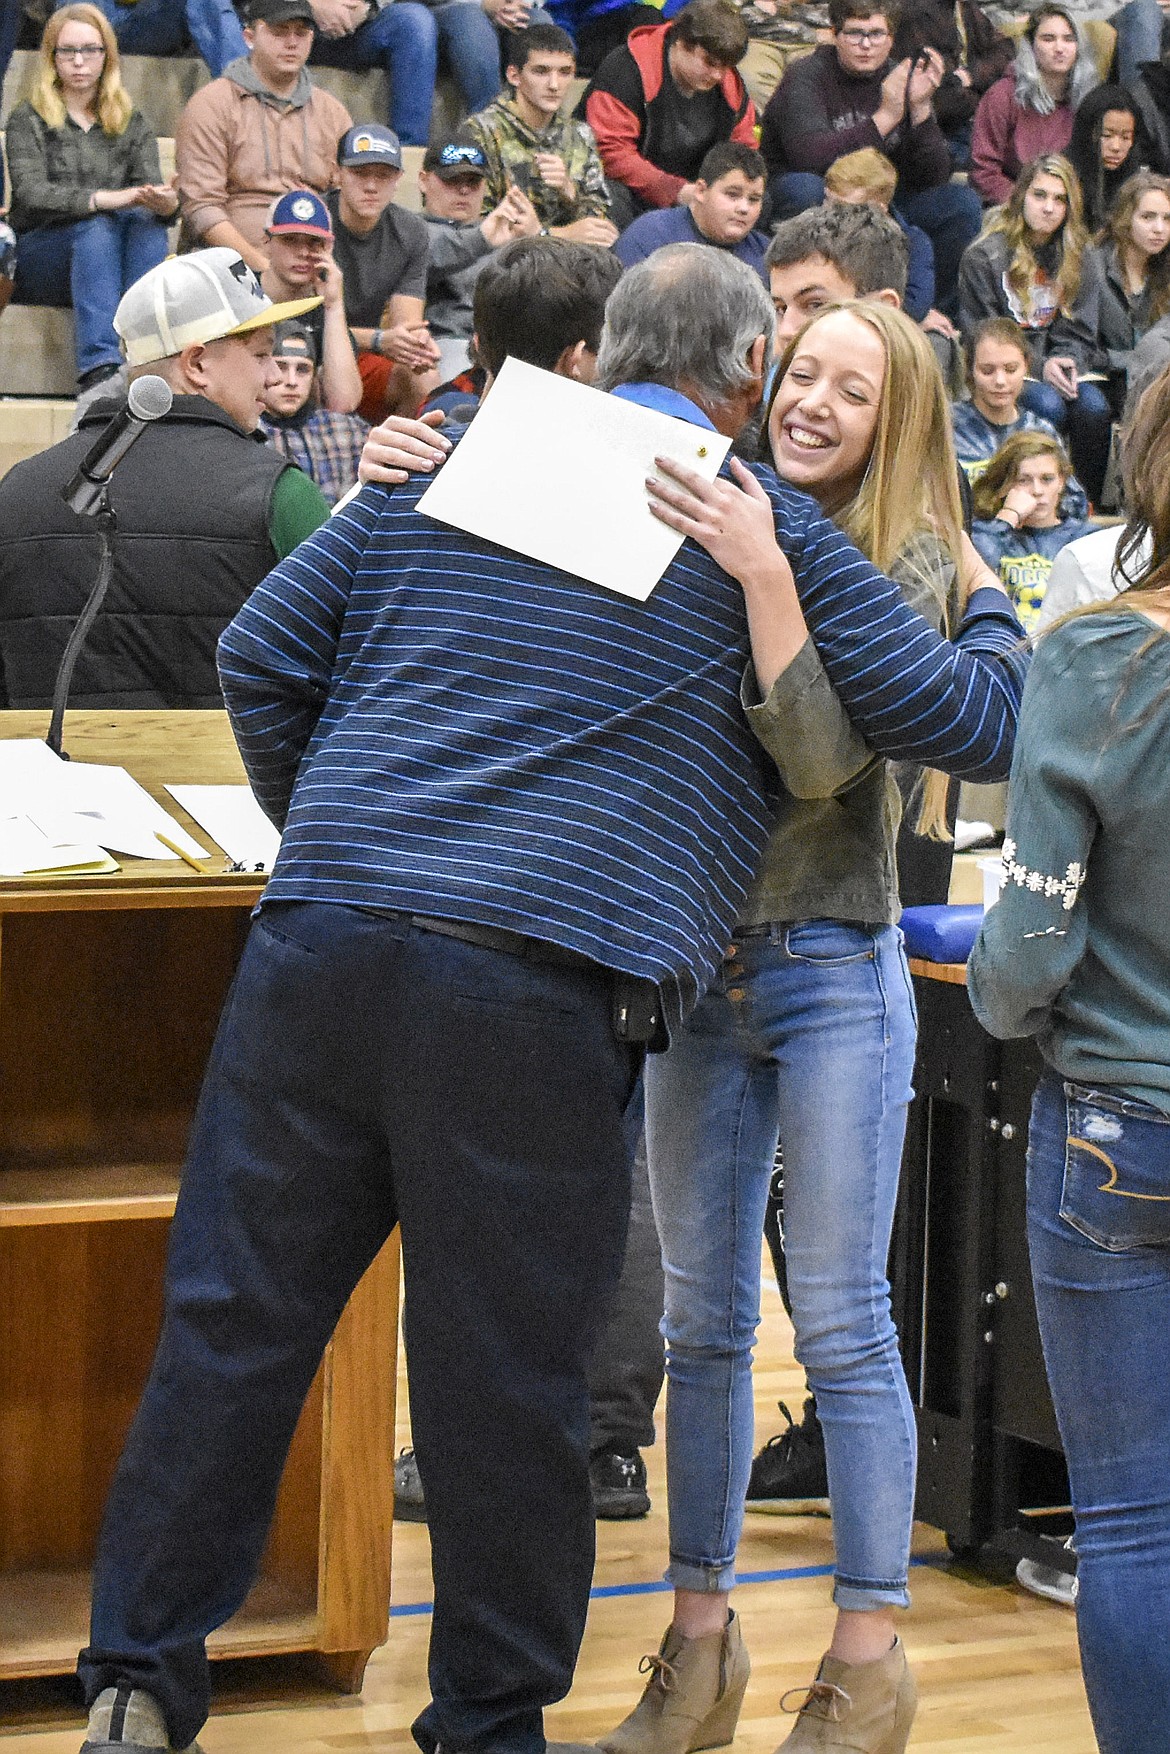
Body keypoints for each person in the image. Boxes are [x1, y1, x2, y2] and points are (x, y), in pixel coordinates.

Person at [74, 241, 1027, 1754]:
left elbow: (259, 653)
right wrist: (977, 589)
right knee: (502, 1378)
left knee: (234, 1327)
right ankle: (484, 1725)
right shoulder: (740, 507)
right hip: (527, 981)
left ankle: (135, 1678)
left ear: (595, 351)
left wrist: (343, 823)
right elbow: (979, 721)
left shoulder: (457, 459)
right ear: (740, 382)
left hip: (317, 943)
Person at [596, 302, 1023, 1754]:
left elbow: (827, 759)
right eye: (803, 374)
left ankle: (862, 1664)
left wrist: (769, 574)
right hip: (696, 967)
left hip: (835, 959)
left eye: (854, 386)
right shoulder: (707, 504)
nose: (815, 402)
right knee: (699, 1322)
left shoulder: (902, 561)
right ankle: (696, 1651)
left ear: (894, 417)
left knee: (838, 1319)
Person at [967, 364, 1170, 1754]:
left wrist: (1005, 997)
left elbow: (1023, 956)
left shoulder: (1096, 656)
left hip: (1118, 1125)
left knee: (1135, 1522)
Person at [0, 248, 329, 711]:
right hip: (229, 781)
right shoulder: (282, 493)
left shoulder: (15, 489)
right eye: (262, 353)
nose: (276, 373)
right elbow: (339, 669)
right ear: (196, 364)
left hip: (47, 780)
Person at [759, 0, 982, 316]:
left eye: (876, 34)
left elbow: (933, 176)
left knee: (960, 204)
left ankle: (934, 318)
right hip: (818, 195)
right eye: (854, 34)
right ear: (834, 34)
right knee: (804, 188)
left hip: (883, 200)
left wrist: (919, 110)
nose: (866, 45)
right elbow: (810, 157)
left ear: (891, 39)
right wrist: (886, 116)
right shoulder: (806, 76)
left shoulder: (899, 77)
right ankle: (812, 304)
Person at [6, 4, 174, 396]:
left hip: (110, 259)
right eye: (67, 52)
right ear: (51, 57)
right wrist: (104, 199)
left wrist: (168, 206)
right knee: (96, 228)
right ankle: (99, 367)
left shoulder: (133, 121)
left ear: (106, 56)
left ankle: (145, 354)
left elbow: (147, 192)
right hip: (43, 257)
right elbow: (32, 195)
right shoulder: (27, 119)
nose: (79, 62)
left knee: (148, 226)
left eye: (90, 50)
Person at [958, 154, 1113, 504]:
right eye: (1039, 195)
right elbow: (983, 334)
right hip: (1009, 367)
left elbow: (1082, 328)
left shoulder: (1080, 256)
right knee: (1048, 405)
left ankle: (1082, 503)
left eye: (1060, 200)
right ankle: (1036, 497)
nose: (1048, 208)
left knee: (1094, 410)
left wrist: (1066, 359)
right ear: (1021, 197)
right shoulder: (985, 256)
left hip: (1060, 362)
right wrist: (1040, 365)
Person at [175, 0, 351, 271]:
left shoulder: (332, 112)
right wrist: (260, 267)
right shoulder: (212, 104)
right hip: (230, 267)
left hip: (314, 260)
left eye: (301, 32)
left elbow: (346, 200)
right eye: (279, 31)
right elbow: (202, 207)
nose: (292, 42)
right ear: (249, 36)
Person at [581, 0, 757, 229]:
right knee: (612, 197)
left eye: (726, 66)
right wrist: (676, 191)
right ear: (681, 43)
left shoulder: (729, 84)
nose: (718, 75)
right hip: (633, 190)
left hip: (697, 192)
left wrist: (727, 191)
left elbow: (743, 149)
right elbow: (610, 153)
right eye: (710, 63)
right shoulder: (626, 70)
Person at [324, 123, 441, 421]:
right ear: (337, 173)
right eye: (360, 173)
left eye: (384, 175)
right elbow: (302, 326)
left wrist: (416, 347)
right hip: (307, 352)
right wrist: (378, 339)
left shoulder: (411, 231)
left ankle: (400, 462)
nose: (372, 186)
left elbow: (406, 328)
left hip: (362, 353)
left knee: (424, 376)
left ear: (399, 179)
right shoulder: (316, 222)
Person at [467, 23, 619, 244]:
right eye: (541, 71)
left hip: (569, 261)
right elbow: (477, 228)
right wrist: (554, 234)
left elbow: (599, 224)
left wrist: (569, 190)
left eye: (565, 72)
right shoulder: (482, 132)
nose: (554, 85)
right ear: (514, 75)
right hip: (502, 265)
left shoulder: (579, 135)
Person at [420, 136, 542, 378]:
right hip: (445, 343)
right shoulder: (409, 229)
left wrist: (538, 240)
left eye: (473, 182)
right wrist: (482, 239)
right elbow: (425, 260)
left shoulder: (505, 231)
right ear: (424, 181)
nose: (463, 190)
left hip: (510, 348)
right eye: (451, 180)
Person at [953, 315, 1090, 517]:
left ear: (1026, 366)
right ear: (970, 369)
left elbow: (1076, 504)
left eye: (1010, 369)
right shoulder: (946, 427)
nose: (1000, 381)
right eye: (987, 371)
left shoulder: (1041, 430)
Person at [969, 5, 1100, 207]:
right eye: (1048, 39)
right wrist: (1028, 202)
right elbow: (983, 170)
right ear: (1030, 45)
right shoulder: (1002, 95)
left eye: (1069, 39)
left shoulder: (1091, 101)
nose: (1059, 48)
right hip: (1012, 208)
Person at [971, 430, 1094, 626]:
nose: (1037, 491)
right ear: (1004, 485)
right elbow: (973, 570)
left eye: (1047, 479)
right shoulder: (982, 533)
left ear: (1062, 482)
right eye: (1023, 480)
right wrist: (1009, 515)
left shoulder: (1086, 538)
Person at [260, 188, 363, 412]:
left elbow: (343, 403)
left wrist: (334, 306)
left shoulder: (325, 310)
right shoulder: (241, 293)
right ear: (266, 242)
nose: (303, 252)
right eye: (290, 240)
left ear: (329, 248)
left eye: (314, 242)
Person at [1082, 169, 1170, 412]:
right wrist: (1134, 360)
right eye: (1148, 217)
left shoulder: (1166, 270)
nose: (1159, 228)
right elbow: (1083, 346)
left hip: (1157, 378)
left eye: (1167, 219)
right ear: (1126, 217)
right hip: (1103, 378)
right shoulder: (1093, 264)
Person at [614, 140, 768, 275]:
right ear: (700, 190)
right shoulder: (649, 236)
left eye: (754, 200)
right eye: (732, 195)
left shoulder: (766, 254)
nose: (744, 208)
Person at [259, 316, 369, 502]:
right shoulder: (246, 433)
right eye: (280, 367)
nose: (291, 381)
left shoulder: (348, 431)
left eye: (303, 369)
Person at [891, 0, 1013, 166]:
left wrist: (970, 75)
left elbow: (1005, 50)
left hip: (973, 123)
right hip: (941, 136)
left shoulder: (963, 7)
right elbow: (939, 98)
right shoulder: (915, 14)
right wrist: (982, 93)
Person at [1067, 84, 1157, 231]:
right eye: (1106, 135)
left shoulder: (1140, 184)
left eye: (1126, 137)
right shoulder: (1063, 178)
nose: (1116, 147)